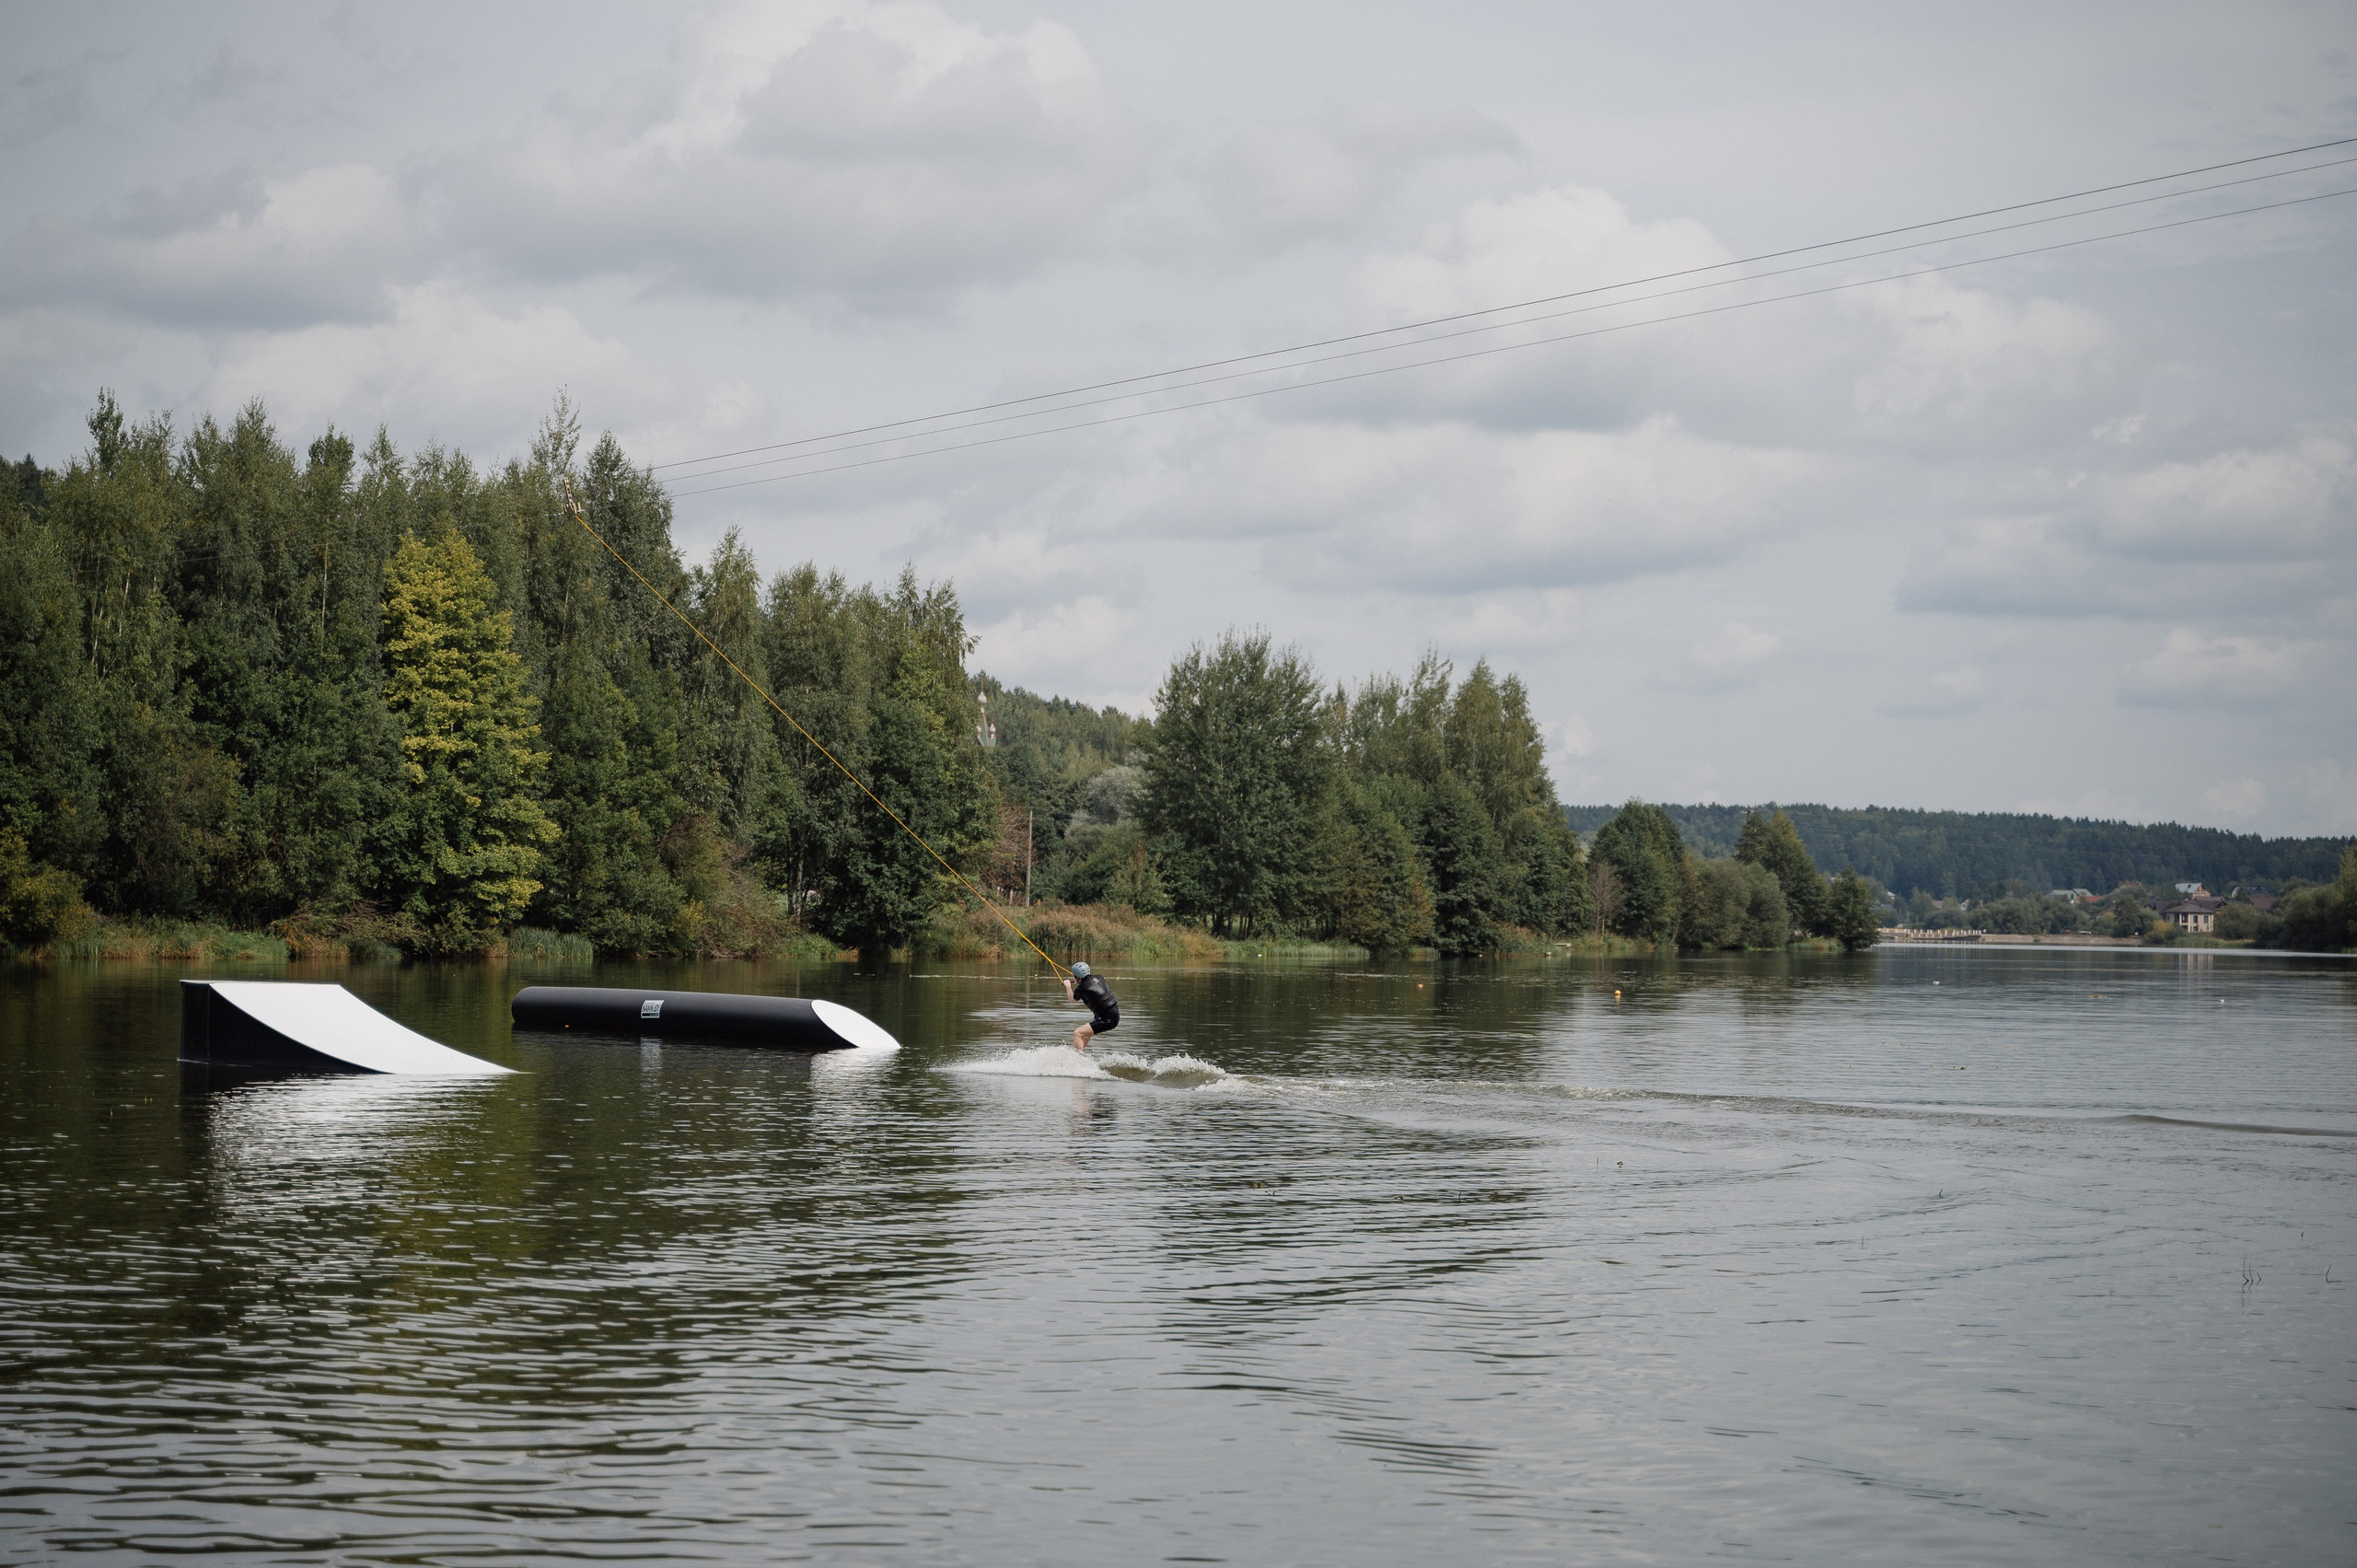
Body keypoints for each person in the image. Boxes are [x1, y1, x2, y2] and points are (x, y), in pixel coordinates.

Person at [1062, 961, 1119, 1051]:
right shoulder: (1099, 977)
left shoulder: (1081, 988)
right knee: (1084, 1035)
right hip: (1113, 1013)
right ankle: (1081, 1057)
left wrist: (1068, 986)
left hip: (1108, 1019)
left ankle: (1078, 1059)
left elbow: (1072, 1000)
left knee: (1077, 1033)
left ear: (1077, 977)